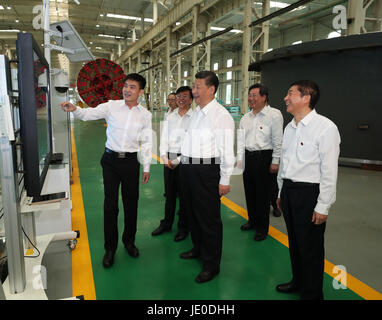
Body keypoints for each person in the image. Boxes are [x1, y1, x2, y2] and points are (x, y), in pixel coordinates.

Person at [60, 73, 152, 268]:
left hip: (130, 162)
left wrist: (147, 166)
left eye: (132, 87)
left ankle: (129, 242)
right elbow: (88, 114)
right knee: (110, 205)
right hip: (110, 161)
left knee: (131, 204)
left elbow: (148, 141)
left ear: (141, 92)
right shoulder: (111, 106)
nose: (127, 90)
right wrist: (75, 109)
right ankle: (110, 248)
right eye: (126, 86)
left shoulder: (145, 115)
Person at [276, 80, 340, 300]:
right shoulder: (290, 126)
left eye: (290, 93)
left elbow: (329, 171)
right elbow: (285, 163)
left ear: (306, 98)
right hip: (290, 191)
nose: (286, 97)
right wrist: (280, 192)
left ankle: (313, 294)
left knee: (310, 246)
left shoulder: (326, 128)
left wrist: (323, 205)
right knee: (294, 242)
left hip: (309, 194)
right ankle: (298, 281)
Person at [179, 71, 235, 283]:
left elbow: (226, 151)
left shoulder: (221, 116)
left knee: (209, 219)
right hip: (189, 169)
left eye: (198, 87)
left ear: (211, 89)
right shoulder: (196, 113)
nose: (194, 92)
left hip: (207, 171)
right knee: (193, 213)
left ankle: (212, 265)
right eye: (194, 87)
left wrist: (225, 179)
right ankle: (198, 249)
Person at [237, 83, 283, 241]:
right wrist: (240, 159)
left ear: (264, 97)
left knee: (263, 195)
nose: (251, 98)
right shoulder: (245, 118)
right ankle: (252, 221)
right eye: (249, 95)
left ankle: (262, 228)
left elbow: (278, 140)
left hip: (264, 157)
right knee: (249, 192)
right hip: (248, 157)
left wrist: (275, 160)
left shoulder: (274, 115)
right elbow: (241, 140)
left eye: (254, 95)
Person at [152, 86, 193, 241]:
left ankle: (183, 227)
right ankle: (166, 223)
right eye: (178, 96)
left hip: (186, 160)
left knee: (184, 195)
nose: (180, 99)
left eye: (184, 96)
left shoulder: (194, 117)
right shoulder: (170, 116)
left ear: (190, 99)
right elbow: (163, 137)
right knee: (169, 194)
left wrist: (177, 161)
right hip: (169, 159)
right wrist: (164, 157)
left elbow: (192, 143)